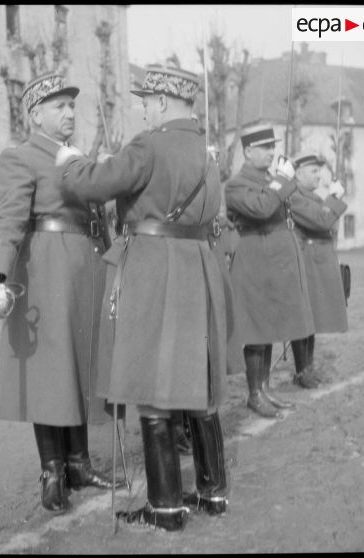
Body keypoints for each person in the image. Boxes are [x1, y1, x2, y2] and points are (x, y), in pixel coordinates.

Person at [56, 64, 230, 531]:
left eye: (148, 101)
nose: (144, 109)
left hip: (155, 266)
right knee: (196, 379)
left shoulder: (149, 145)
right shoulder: (207, 153)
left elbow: (91, 184)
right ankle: (213, 493)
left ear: (165, 102)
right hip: (198, 264)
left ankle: (166, 507)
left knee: (154, 384)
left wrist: (69, 161)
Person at [0, 72, 121, 515]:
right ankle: (52, 469)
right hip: (46, 271)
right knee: (49, 373)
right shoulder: (21, 157)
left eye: (72, 106)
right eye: (60, 106)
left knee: (80, 366)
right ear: (36, 113)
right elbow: (8, 220)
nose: (70, 113)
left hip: (87, 269)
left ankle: (80, 463)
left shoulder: (78, 156)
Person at [225, 125, 315, 418]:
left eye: (272, 146)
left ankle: (264, 389)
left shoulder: (269, 179)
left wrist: (279, 182)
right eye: (264, 147)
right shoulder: (237, 184)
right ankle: (254, 393)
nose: (271, 152)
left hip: (271, 264)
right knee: (255, 330)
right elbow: (262, 208)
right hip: (252, 262)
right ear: (248, 151)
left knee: (268, 328)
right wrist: (281, 181)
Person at [289, 153, 348, 383]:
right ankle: (302, 371)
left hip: (313, 262)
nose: (318, 175)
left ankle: (308, 368)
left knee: (311, 318)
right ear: (298, 173)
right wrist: (333, 197)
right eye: (313, 171)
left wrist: (329, 202)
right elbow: (322, 220)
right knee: (303, 318)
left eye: (318, 171)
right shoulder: (294, 196)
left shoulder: (310, 196)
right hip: (304, 262)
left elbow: (327, 221)